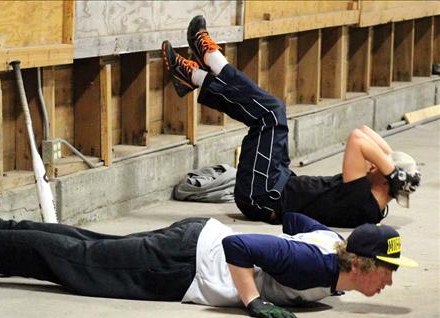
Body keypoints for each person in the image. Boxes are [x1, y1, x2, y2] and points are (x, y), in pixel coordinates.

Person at [162, 15, 421, 228]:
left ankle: (207, 64)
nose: (374, 164)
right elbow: (367, 132)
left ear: (386, 180)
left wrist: (389, 169)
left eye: (380, 167)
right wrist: (391, 167)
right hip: (278, 181)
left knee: (271, 113)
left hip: (262, 195)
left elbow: (357, 137)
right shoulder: (373, 200)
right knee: (274, 112)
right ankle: (198, 72)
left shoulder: (361, 199)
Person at [0, 213, 417, 318]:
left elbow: (297, 221)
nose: (390, 279)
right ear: (359, 265)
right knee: (81, 263)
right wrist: (254, 300)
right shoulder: (310, 266)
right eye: (387, 268)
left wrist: (277, 249)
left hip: (191, 240)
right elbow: (239, 245)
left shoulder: (327, 245)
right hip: (183, 264)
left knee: (91, 246)